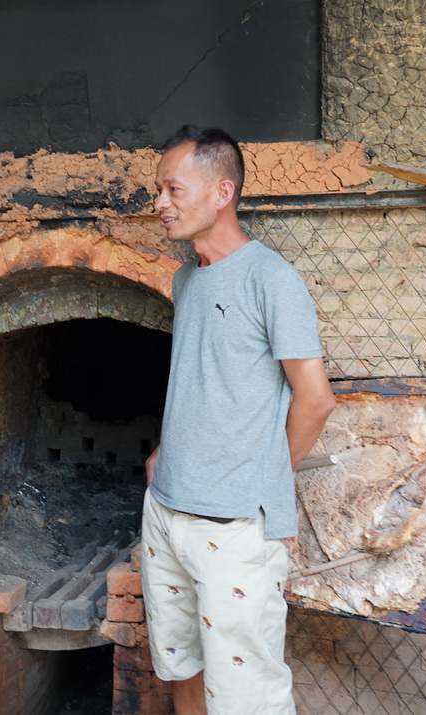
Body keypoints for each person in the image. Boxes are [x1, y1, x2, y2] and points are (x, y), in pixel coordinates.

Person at [142, 125, 336, 715]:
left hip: (232, 525)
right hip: (166, 511)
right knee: (180, 665)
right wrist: (163, 451)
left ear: (221, 192)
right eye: (158, 190)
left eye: (173, 189)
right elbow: (204, 380)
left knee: (246, 693)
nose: (160, 203)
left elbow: (316, 398)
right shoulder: (187, 279)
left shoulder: (271, 280)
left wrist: (260, 475)